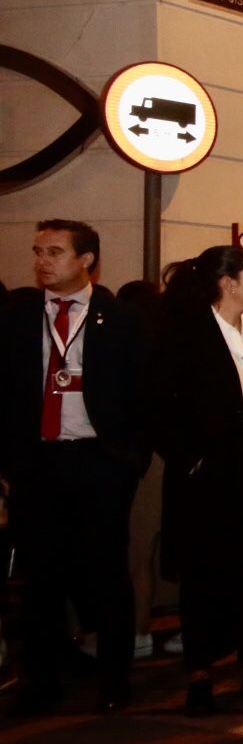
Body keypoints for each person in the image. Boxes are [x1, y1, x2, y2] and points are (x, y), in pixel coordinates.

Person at [1, 219, 151, 715]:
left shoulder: (122, 319)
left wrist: (128, 460)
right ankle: (40, 680)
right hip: (38, 462)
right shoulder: (18, 315)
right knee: (39, 576)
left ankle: (114, 678)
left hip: (99, 462)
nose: (43, 261)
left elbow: (142, 396)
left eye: (55, 252)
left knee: (106, 573)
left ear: (87, 260)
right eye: (38, 251)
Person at [155, 245, 243, 715]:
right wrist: (190, 458)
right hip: (207, 472)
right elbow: (158, 404)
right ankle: (200, 673)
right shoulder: (186, 333)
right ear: (228, 283)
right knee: (203, 573)